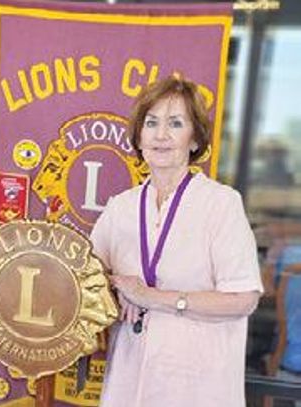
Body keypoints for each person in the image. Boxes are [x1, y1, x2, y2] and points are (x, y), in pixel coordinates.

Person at [90, 75, 263, 407]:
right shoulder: (121, 207)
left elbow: (243, 299)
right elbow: (83, 276)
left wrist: (153, 297)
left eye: (175, 123)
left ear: (195, 139)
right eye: (151, 123)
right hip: (130, 379)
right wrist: (116, 284)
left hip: (198, 384)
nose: (161, 135)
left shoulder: (221, 204)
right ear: (139, 137)